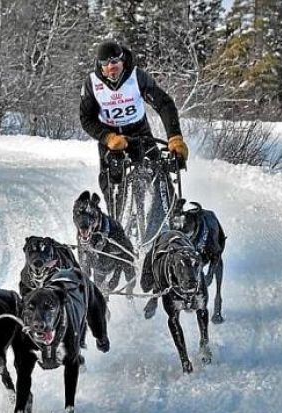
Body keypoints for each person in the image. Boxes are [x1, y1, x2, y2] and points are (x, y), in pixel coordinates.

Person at [79, 40, 189, 318]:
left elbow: (164, 103)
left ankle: (167, 221)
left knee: (163, 172)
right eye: (106, 65)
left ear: (122, 61)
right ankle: (116, 236)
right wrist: (107, 137)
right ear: (100, 66)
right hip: (112, 140)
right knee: (110, 185)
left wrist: (175, 137)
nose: (111, 69)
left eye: (115, 63)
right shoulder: (92, 83)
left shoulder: (137, 77)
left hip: (140, 135)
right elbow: (86, 118)